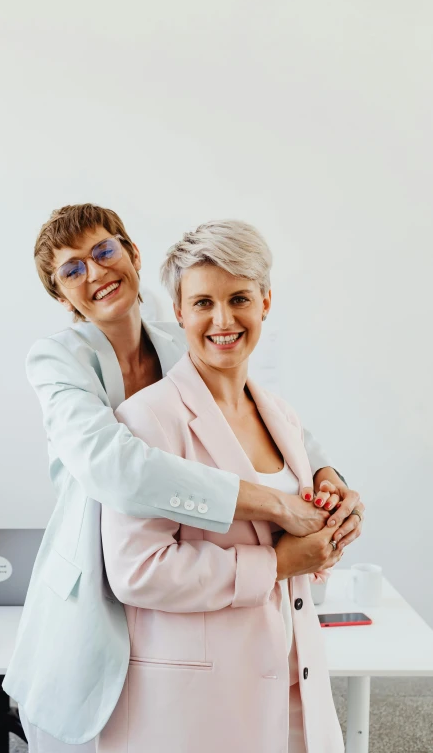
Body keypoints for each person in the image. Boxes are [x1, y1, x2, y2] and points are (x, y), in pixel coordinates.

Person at [3, 204, 364, 749]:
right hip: (100, 580)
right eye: (72, 270)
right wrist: (272, 507)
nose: (96, 273)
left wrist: (327, 477)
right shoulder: (58, 360)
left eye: (104, 251)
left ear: (132, 253)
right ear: (60, 296)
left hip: (213, 620)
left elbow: (273, 420)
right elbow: (118, 470)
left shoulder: (186, 338)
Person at [98, 220, 347, 752]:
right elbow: (137, 572)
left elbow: (293, 536)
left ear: (265, 303)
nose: (223, 319)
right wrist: (276, 565)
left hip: (293, 673)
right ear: (180, 312)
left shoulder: (280, 414)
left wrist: (331, 526)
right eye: (204, 303)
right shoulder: (149, 418)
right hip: (201, 696)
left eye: (239, 298)